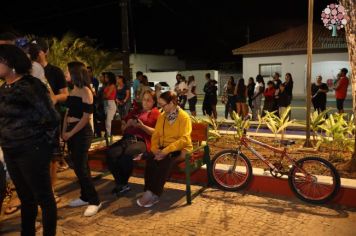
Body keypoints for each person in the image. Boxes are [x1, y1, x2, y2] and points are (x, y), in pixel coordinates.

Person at [0, 44, 59, 235]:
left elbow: (51, 118)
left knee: (44, 197)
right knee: (26, 198)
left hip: (31, 150)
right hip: (10, 150)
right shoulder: (4, 88)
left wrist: (44, 148)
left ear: (9, 62)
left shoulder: (30, 85)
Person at [29, 38, 69, 203]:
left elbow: (66, 95)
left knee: (52, 157)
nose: (34, 54)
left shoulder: (55, 71)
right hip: (31, 119)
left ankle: (51, 190)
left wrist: (53, 99)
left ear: (45, 52)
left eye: (37, 50)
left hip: (51, 118)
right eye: (32, 50)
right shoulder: (26, 70)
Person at [137, 91, 193, 207]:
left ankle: (153, 194)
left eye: (163, 105)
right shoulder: (163, 116)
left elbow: (185, 139)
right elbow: (156, 135)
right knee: (151, 160)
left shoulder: (184, 117)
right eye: (160, 105)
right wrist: (155, 149)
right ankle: (149, 191)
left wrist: (165, 151)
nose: (161, 108)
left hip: (181, 149)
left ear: (172, 103)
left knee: (165, 161)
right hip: (164, 148)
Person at [62, 61, 101, 217]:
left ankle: (95, 201)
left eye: (67, 71)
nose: (65, 73)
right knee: (80, 166)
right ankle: (85, 196)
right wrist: (64, 130)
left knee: (80, 168)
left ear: (75, 73)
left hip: (82, 132)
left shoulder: (86, 91)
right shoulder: (74, 90)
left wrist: (70, 134)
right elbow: (67, 112)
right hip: (71, 131)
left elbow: (86, 117)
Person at [107, 90, 160, 196]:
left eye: (148, 100)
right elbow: (121, 128)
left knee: (128, 153)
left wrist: (141, 126)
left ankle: (122, 184)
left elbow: (157, 132)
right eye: (144, 100)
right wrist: (127, 124)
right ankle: (121, 183)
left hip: (142, 141)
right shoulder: (136, 111)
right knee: (110, 153)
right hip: (127, 138)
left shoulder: (156, 113)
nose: (145, 102)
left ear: (154, 102)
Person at [103, 72, 117, 137]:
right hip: (106, 103)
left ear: (109, 78)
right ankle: (108, 135)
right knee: (107, 121)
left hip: (110, 103)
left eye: (106, 77)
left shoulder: (112, 85)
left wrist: (103, 96)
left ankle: (109, 136)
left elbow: (107, 95)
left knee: (109, 121)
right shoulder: (107, 85)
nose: (105, 78)